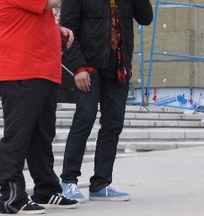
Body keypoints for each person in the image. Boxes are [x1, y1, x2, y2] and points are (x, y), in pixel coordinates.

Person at [59, 0, 153, 202]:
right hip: (89, 66)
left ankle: (101, 184)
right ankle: (68, 181)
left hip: (118, 65)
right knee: (85, 118)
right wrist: (78, 67)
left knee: (113, 125)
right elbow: (67, 29)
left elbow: (146, 18)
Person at [0, 0, 77, 214]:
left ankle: (46, 189)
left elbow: (27, 18)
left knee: (41, 136)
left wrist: (56, 29)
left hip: (42, 71)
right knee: (18, 137)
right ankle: (12, 198)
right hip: (21, 71)